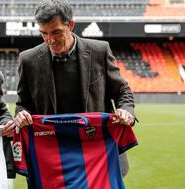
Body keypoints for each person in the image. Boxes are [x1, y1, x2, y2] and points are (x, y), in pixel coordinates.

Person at [14, 0, 136, 176]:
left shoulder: (100, 51)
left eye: (56, 32)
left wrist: (126, 111)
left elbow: (122, 91)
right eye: (44, 34)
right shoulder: (28, 59)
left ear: (70, 25)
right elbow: (23, 103)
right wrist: (21, 114)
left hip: (100, 151)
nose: (50, 40)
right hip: (54, 155)